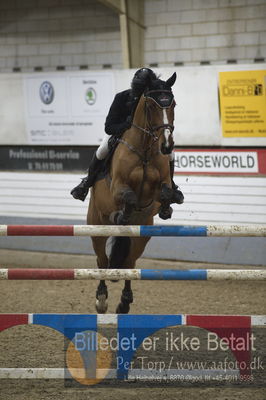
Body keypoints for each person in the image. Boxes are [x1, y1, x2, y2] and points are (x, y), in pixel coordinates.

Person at [71, 68, 184, 206]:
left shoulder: (152, 98)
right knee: (102, 149)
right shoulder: (122, 97)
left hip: (150, 136)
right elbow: (109, 127)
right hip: (121, 133)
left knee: (170, 154)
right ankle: (87, 183)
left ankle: (172, 185)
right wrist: (126, 125)